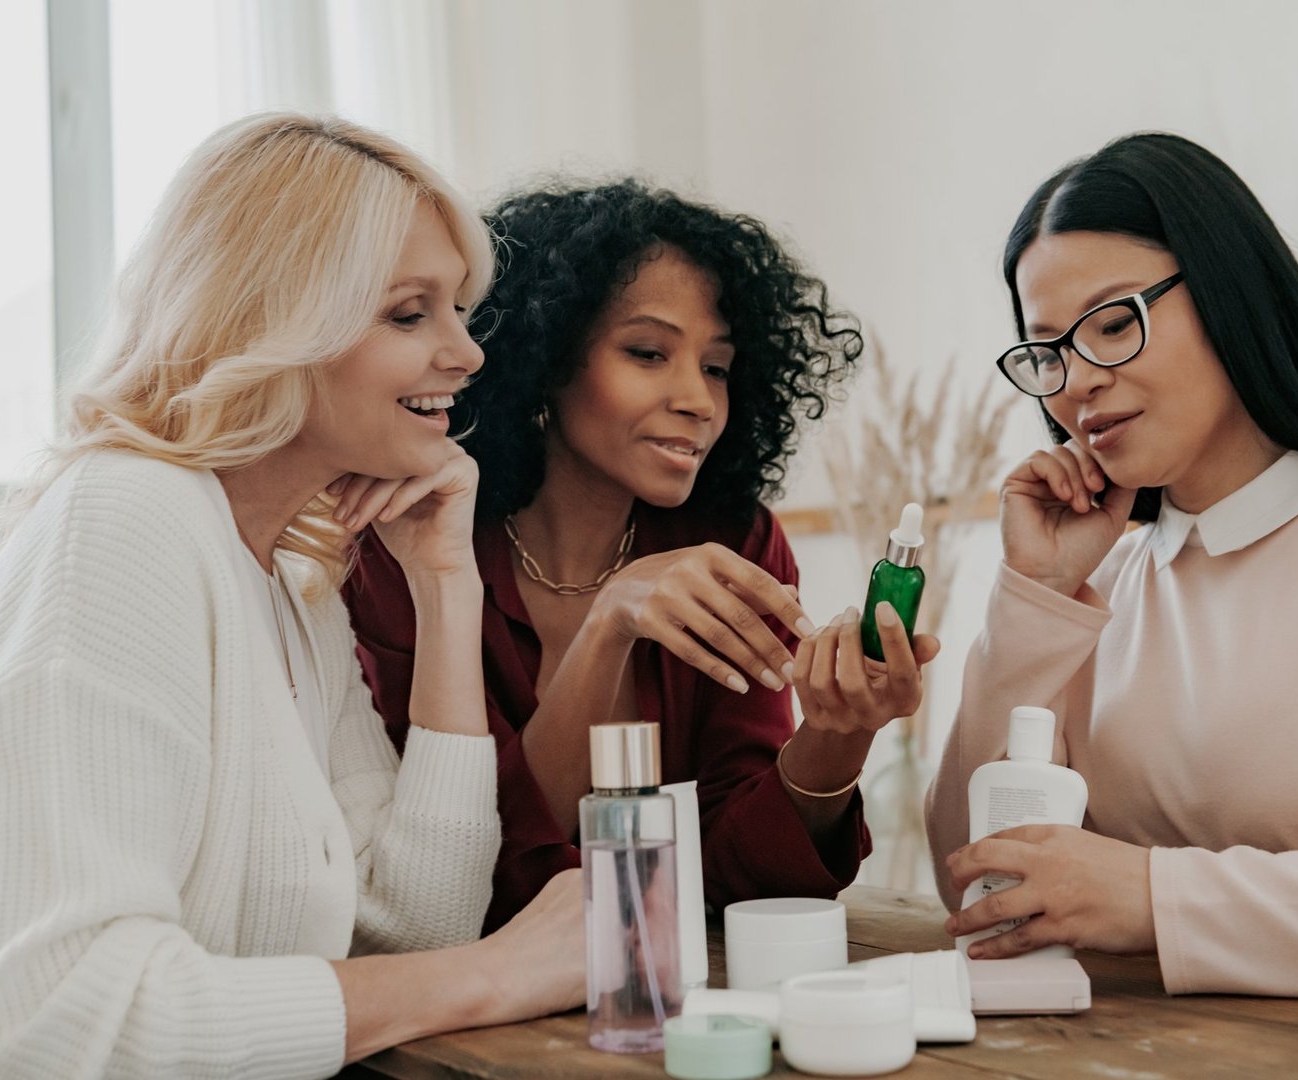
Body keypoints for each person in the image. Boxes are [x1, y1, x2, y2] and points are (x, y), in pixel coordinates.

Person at [0, 114, 582, 1079]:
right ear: (274, 324)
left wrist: (444, 588)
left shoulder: (294, 588)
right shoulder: (123, 520)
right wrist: (500, 975)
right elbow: (59, 1018)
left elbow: (410, 931)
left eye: (460, 309)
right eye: (408, 313)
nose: (466, 355)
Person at [347, 179, 938, 931]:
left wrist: (839, 730)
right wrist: (609, 624)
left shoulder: (734, 544)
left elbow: (737, 875)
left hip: (666, 995)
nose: (698, 399)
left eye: (718, 367)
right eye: (649, 353)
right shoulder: (412, 545)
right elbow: (480, 878)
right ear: (545, 359)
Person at [926, 132, 1298, 996]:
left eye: (1115, 322)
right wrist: (1033, 600)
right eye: (1048, 352)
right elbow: (979, 890)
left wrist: (1158, 899)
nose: (1077, 380)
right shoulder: (1100, 589)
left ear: (1232, 292)